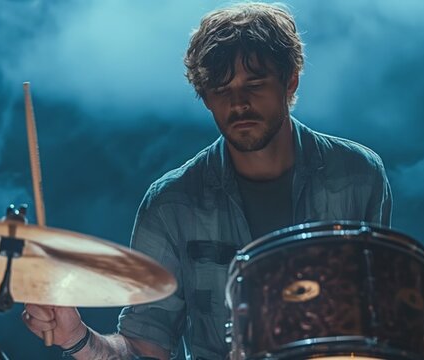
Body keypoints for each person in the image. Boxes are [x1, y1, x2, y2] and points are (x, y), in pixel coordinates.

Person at [22, 2, 392, 359]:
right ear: (205, 98)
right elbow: (144, 350)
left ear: (290, 82)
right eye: (221, 89)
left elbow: (386, 321)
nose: (239, 103)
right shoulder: (171, 203)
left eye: (255, 84)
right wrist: (77, 338)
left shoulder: (358, 175)